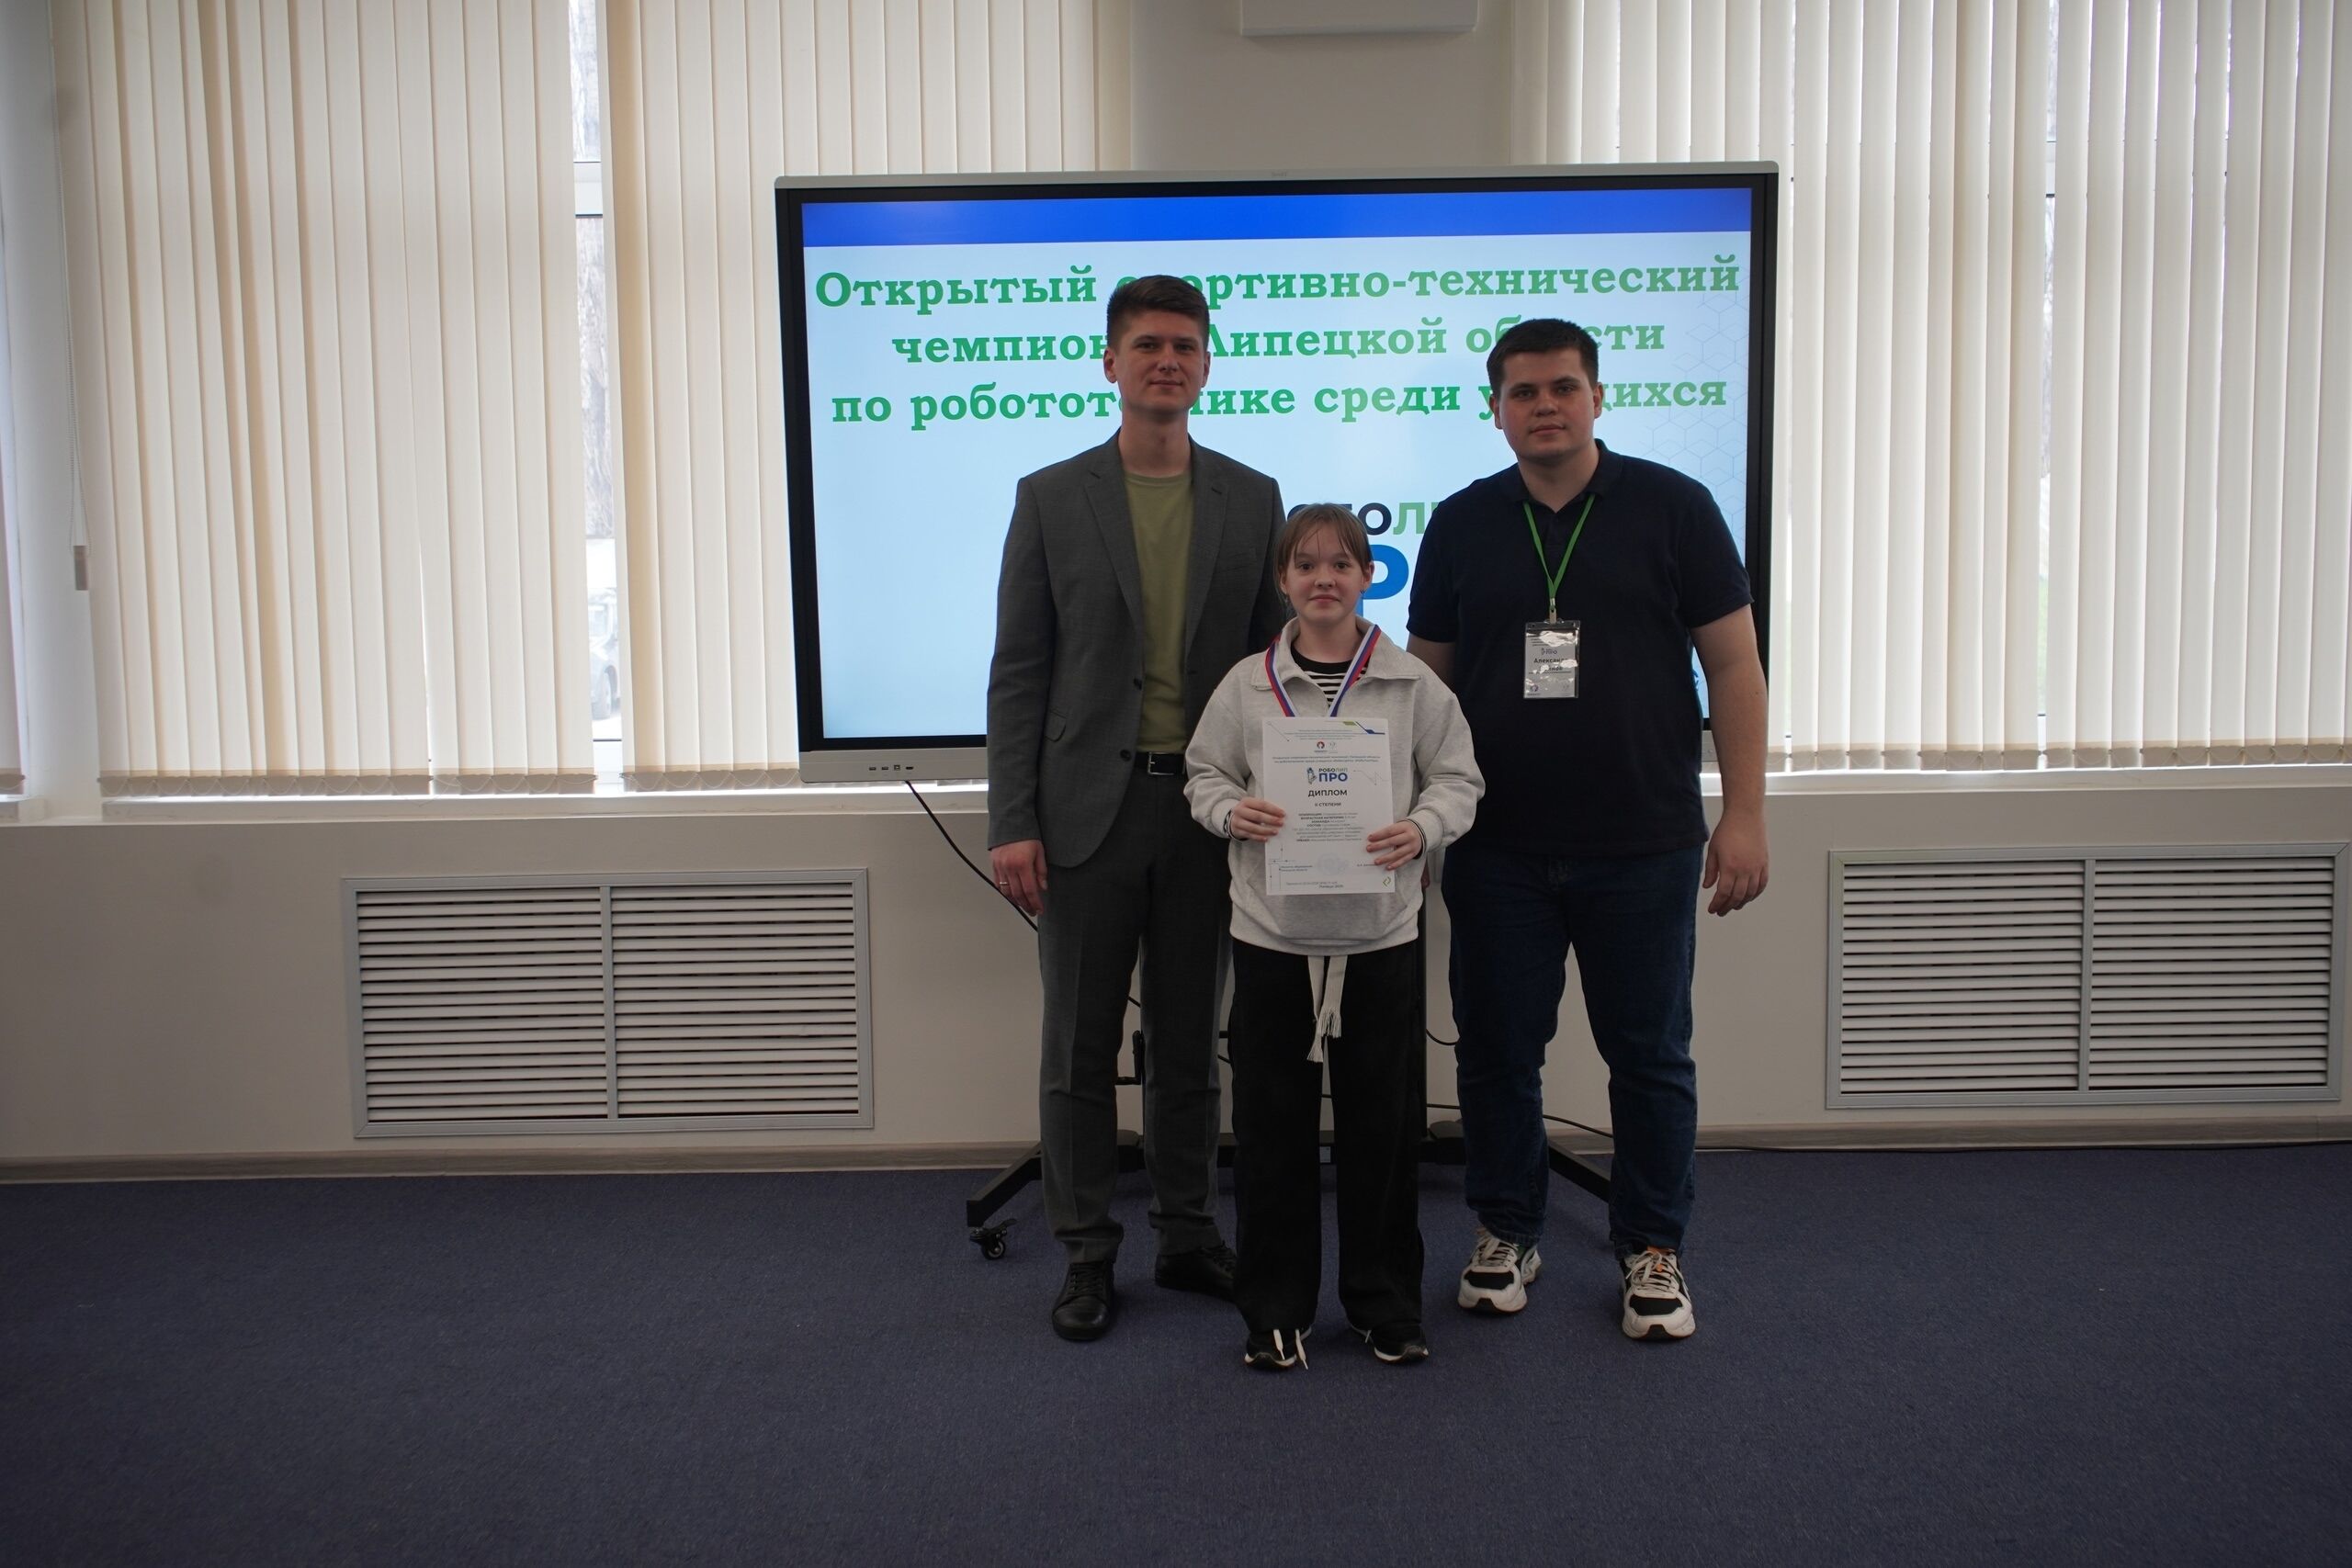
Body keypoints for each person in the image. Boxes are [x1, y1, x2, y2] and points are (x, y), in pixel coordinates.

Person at [1406, 317, 1770, 1342]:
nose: (1545, 406)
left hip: (1643, 841)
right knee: (1496, 1052)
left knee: (1649, 1055)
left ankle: (1652, 1244)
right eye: (1522, 392)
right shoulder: (1461, 521)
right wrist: (1415, 822)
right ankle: (1506, 1228)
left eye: (1563, 387)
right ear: (1496, 410)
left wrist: (1745, 813)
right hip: (1496, 844)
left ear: (1597, 397)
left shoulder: (1674, 507)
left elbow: (1734, 666)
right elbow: (1425, 687)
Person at [987, 275, 1288, 1342]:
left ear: (1207, 365)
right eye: (1148, 344)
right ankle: (1084, 1251)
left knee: (1188, 1043)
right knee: (1075, 1048)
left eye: (1185, 346)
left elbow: (1270, 671)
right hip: (1082, 818)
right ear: (1110, 362)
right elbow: (1019, 670)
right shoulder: (1050, 496)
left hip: (1205, 815)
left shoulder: (1251, 497)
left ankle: (1187, 1233)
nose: (1168, 361)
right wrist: (1010, 820)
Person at [1185, 504, 1482, 1371]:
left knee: (1381, 1136)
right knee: (1270, 1134)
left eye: (1342, 564)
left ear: (1368, 576)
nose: (1324, 579)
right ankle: (1275, 1309)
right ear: (1283, 580)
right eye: (1307, 564)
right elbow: (1204, 774)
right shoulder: (1246, 685)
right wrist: (1229, 811)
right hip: (1272, 938)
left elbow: (1459, 779)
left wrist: (1422, 827)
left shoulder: (1412, 685)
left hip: (1379, 937)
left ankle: (1384, 1304)